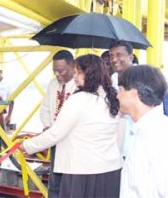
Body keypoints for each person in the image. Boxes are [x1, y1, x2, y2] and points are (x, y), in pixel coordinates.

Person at [20, 54, 124, 198]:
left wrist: (27, 146)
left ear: (90, 73)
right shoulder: (113, 97)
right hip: (110, 170)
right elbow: (120, 136)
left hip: (81, 172)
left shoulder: (77, 100)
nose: (75, 77)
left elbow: (55, 134)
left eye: (78, 72)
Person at [117, 65, 168, 198]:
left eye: (120, 89)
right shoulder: (141, 130)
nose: (117, 95)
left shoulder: (159, 135)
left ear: (133, 93)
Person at [40, 50, 76, 198]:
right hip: (55, 139)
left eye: (61, 71)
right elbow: (45, 109)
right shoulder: (52, 84)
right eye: (54, 71)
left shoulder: (79, 85)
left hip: (73, 141)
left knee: (70, 179)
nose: (57, 74)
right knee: (54, 178)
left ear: (73, 66)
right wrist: (48, 127)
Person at [109, 40, 135, 158]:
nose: (114, 60)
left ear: (131, 57)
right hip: (116, 145)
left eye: (119, 55)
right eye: (112, 56)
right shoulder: (111, 79)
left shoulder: (144, 78)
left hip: (136, 143)